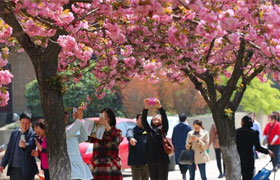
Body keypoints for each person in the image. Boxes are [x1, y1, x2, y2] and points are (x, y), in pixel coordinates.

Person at [0, 112, 39, 180]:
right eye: (23, 122)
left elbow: (31, 144)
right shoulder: (14, 133)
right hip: (14, 169)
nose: (24, 125)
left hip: (27, 169)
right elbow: (9, 150)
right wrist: (3, 163)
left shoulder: (33, 134)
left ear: (31, 123)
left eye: (27, 123)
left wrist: (25, 145)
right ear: (19, 121)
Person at [88, 108, 123, 180]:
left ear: (111, 118)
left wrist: (106, 125)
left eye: (107, 116)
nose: (104, 119)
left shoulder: (117, 131)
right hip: (97, 166)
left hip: (112, 167)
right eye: (102, 116)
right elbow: (87, 139)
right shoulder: (97, 130)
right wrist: (93, 127)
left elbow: (117, 140)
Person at [236, 116, 273, 180]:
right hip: (249, 159)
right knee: (248, 177)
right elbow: (258, 148)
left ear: (242, 122)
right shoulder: (254, 133)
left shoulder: (236, 132)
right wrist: (267, 151)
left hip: (237, 158)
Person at [141, 98, 170, 180]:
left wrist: (160, 107)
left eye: (158, 118)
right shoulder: (149, 130)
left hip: (163, 160)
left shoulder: (164, 129)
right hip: (151, 160)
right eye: (154, 118)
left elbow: (165, 119)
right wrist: (146, 107)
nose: (156, 119)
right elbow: (144, 121)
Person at [65, 108, 93, 180]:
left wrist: (80, 121)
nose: (66, 117)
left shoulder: (69, 128)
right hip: (70, 167)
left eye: (66, 115)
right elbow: (69, 133)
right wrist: (78, 120)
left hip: (79, 165)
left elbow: (83, 137)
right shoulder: (59, 130)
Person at [126, 113, 149, 180]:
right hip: (135, 162)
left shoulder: (148, 131)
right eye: (141, 118)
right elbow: (129, 134)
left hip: (146, 162)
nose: (143, 120)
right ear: (136, 120)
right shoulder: (132, 130)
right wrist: (131, 139)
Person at [171, 113, 192, 180]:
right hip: (186, 147)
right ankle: (185, 173)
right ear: (185, 119)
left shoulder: (175, 128)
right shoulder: (189, 127)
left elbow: (173, 138)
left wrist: (174, 146)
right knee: (187, 161)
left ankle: (183, 173)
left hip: (178, 148)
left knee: (180, 161)